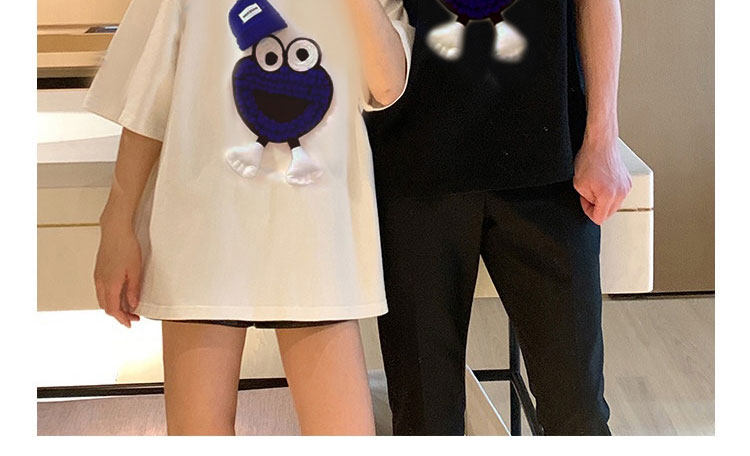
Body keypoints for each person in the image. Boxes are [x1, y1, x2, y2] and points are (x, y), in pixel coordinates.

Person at [84, 0, 411, 436]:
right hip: (204, 226)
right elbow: (147, 100)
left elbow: (387, 86)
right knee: (199, 433)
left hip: (315, 232)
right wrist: (117, 223)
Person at [365, 0, 631, 435]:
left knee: (578, 411)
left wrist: (603, 137)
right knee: (425, 419)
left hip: (550, 160)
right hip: (413, 161)